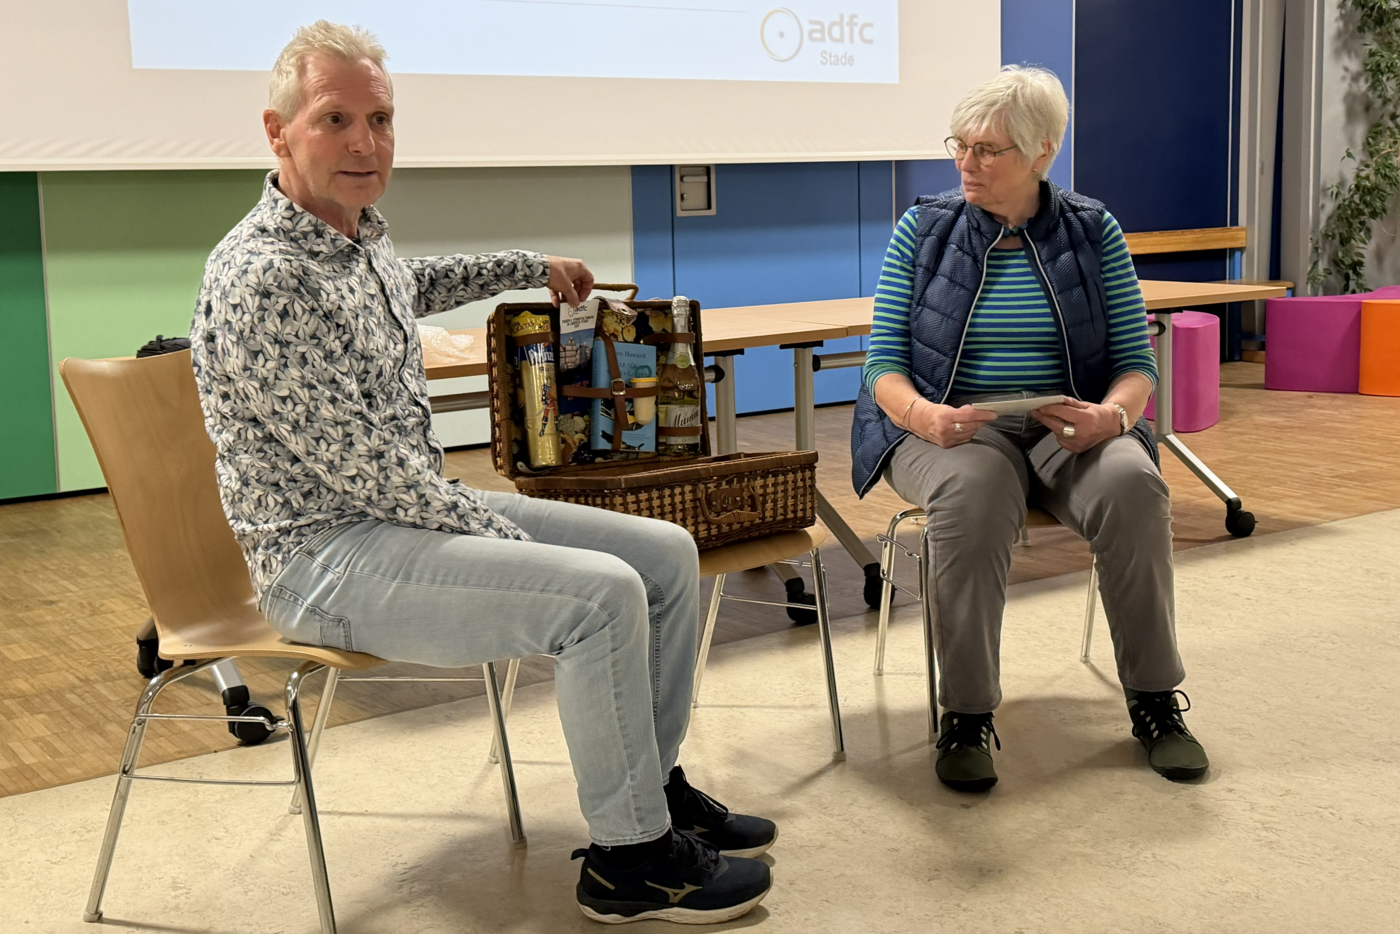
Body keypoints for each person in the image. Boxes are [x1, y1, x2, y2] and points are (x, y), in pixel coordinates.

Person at [189, 20, 773, 925]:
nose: (365, 142)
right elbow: (367, 473)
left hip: (399, 519)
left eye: (380, 120)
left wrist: (528, 267)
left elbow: (411, 282)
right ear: (278, 132)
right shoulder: (262, 276)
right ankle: (629, 861)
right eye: (335, 119)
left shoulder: (354, 239)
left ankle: (649, 793)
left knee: (662, 554)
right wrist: (502, 530)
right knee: (598, 596)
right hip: (323, 556)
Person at [850, 65, 1209, 791]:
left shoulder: (1092, 228)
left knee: (1134, 484)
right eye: (960, 144)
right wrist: (925, 417)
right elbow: (882, 363)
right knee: (975, 493)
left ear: (1043, 150)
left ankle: (1154, 699)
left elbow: (1137, 364)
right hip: (949, 427)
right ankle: (966, 713)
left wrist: (1112, 417)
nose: (966, 162)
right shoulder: (923, 229)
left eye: (988, 149)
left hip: (1068, 425)